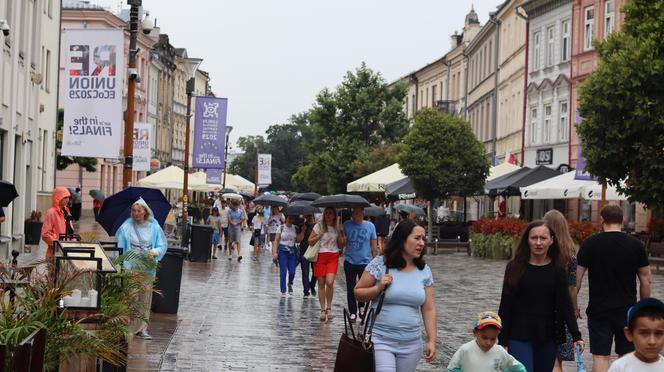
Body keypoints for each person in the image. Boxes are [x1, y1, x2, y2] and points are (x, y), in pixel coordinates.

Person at [498, 220, 583, 372]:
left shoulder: (558, 271)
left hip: (548, 336)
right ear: (527, 240)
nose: (538, 243)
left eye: (543, 238)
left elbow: (565, 305)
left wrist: (576, 336)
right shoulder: (515, 267)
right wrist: (502, 340)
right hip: (519, 335)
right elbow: (505, 305)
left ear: (551, 240)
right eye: (534, 238)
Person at [576, 205, 652, 372]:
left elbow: (577, 279)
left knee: (601, 356)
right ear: (622, 221)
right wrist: (643, 307)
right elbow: (646, 280)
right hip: (627, 309)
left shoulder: (590, 244)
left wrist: (574, 306)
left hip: (598, 310)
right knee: (626, 356)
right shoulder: (636, 245)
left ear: (602, 220)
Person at [354, 219, 436, 372]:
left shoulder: (424, 270)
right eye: (417, 238)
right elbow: (358, 292)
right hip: (381, 339)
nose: (421, 243)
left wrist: (431, 340)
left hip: (411, 343)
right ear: (402, 239)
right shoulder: (381, 264)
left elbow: (429, 308)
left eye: (423, 239)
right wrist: (378, 288)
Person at [115, 198, 167, 340]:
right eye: (134, 210)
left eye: (139, 210)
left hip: (147, 268)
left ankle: (142, 328)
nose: (136, 213)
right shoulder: (126, 227)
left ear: (145, 212)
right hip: (130, 268)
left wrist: (155, 252)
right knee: (130, 297)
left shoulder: (154, 227)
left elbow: (162, 245)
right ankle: (128, 327)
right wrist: (120, 265)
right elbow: (119, 248)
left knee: (145, 298)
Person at [543, 210, 579, 372]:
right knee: (557, 359)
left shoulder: (542, 251)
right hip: (562, 309)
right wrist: (574, 308)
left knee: (545, 356)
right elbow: (572, 286)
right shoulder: (570, 252)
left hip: (543, 306)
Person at [447, 311, 527, 372]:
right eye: (484, 338)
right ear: (475, 333)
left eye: (493, 339)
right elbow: (452, 369)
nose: (488, 342)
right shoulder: (465, 350)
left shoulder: (500, 352)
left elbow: (519, 369)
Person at [341, 206, 377, 323]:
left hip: (365, 262)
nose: (357, 215)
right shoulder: (346, 225)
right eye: (354, 213)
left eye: (359, 213)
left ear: (363, 213)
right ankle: (352, 311)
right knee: (351, 287)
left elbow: (373, 245)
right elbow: (342, 243)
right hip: (350, 261)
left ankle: (361, 306)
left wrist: (375, 260)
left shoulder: (370, 226)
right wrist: (340, 232)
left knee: (363, 287)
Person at [607, 297, 664, 371]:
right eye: (644, 333)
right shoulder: (619, 367)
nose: (652, 341)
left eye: (658, 334)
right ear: (629, 334)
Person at [309, 207, 344, 321]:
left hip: (333, 256)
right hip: (320, 256)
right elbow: (310, 241)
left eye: (331, 213)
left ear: (334, 216)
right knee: (321, 282)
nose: (328, 215)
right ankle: (323, 309)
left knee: (329, 282)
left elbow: (341, 245)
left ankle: (329, 307)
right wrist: (320, 234)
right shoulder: (318, 226)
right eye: (326, 213)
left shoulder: (337, 227)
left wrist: (339, 231)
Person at [40, 187, 75, 257]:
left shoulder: (66, 212)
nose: (67, 200)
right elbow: (45, 234)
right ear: (58, 197)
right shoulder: (51, 212)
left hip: (67, 252)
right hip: (55, 254)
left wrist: (73, 241)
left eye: (68, 197)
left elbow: (70, 231)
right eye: (64, 197)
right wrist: (58, 244)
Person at [272, 214, 301, 296]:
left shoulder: (295, 228)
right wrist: (275, 253)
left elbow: (298, 240)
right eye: (289, 217)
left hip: (292, 251)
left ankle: (290, 283)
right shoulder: (281, 228)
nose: (291, 219)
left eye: (292, 218)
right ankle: (283, 290)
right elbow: (276, 241)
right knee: (283, 271)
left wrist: (302, 232)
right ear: (286, 218)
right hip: (282, 251)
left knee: (292, 271)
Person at [298, 214, 317, 298]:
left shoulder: (317, 226)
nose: (309, 218)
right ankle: (306, 291)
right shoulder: (302, 226)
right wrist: (302, 231)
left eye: (310, 216)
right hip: (304, 251)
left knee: (316, 272)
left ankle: (312, 285)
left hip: (314, 251)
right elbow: (298, 240)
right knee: (305, 272)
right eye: (307, 216)